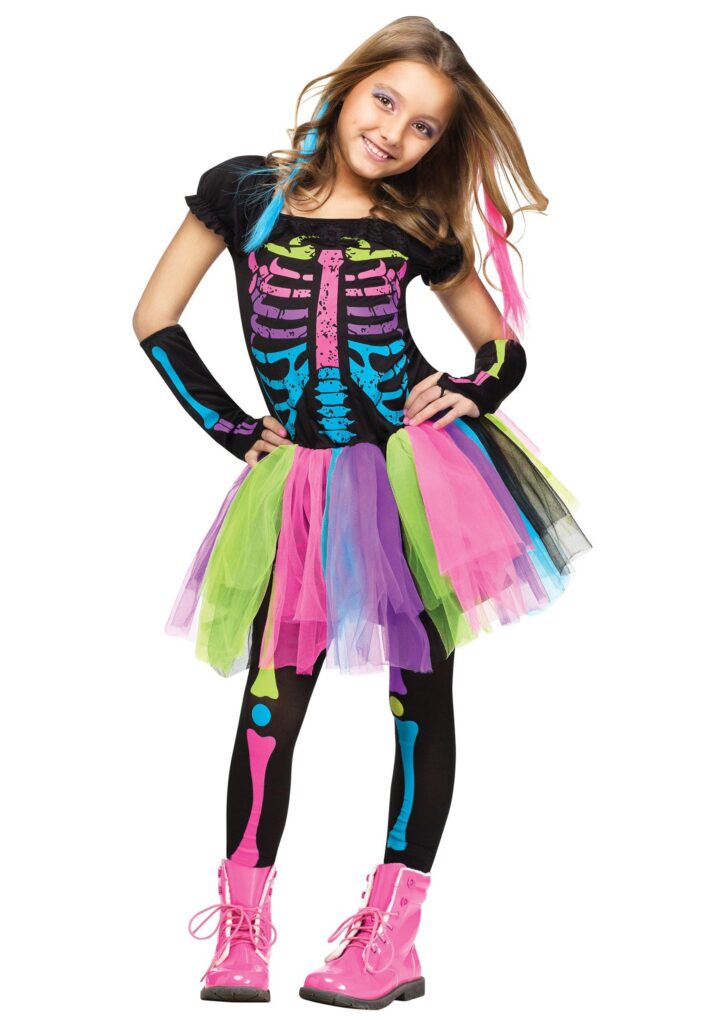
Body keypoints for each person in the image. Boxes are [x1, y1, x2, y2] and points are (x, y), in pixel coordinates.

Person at [133, 15, 592, 1010]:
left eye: (424, 127)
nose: (394, 132)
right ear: (347, 87)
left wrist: (472, 390)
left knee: (418, 698)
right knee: (271, 700)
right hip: (298, 484)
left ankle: (392, 936)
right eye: (385, 100)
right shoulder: (242, 193)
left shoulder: (417, 225)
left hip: (416, 481)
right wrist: (232, 428)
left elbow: (501, 348)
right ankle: (243, 926)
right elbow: (154, 317)